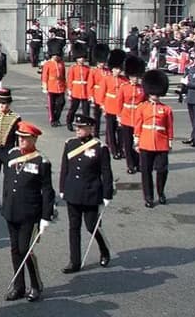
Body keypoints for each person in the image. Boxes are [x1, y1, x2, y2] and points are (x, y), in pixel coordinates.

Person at [1, 122, 54, 303]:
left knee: (26, 250)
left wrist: (46, 216)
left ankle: (36, 284)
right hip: (12, 210)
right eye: (20, 137)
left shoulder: (41, 161)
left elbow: (47, 191)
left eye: (25, 138)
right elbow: (7, 183)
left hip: (30, 213)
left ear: (34, 139)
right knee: (15, 250)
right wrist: (5, 204)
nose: (21, 140)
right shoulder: (12, 154)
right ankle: (19, 286)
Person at [59, 115, 112, 273]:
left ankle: (104, 249)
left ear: (90, 128)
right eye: (76, 127)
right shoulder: (70, 144)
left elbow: (106, 173)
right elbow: (64, 169)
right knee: (73, 228)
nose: (77, 130)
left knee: (91, 226)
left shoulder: (100, 147)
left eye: (81, 127)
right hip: (73, 191)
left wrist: (107, 195)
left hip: (90, 192)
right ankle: (74, 261)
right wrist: (62, 188)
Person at [137, 70, 173, 208]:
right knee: (146, 171)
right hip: (146, 142)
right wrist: (136, 140)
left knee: (162, 169)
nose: (155, 96)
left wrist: (169, 141)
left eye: (157, 94)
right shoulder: (142, 108)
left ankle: (161, 192)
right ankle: (148, 197)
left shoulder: (166, 109)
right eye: (153, 93)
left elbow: (169, 126)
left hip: (161, 143)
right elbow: (138, 125)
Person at [0, 88, 21, 212]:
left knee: (8, 178)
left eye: (5, 103)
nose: (2, 106)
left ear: (9, 104)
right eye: (0, 103)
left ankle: (6, 202)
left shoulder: (16, 117)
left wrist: (17, 152)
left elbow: (18, 137)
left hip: (8, 151)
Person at [119, 56, 147, 174]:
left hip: (138, 118)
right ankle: (130, 165)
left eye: (137, 76)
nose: (135, 79)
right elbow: (119, 103)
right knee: (128, 142)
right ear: (129, 76)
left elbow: (145, 103)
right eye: (133, 76)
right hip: (126, 117)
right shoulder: (124, 87)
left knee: (137, 142)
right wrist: (119, 116)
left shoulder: (142, 89)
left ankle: (138, 163)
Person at [102, 49, 128, 159]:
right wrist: (103, 106)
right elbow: (102, 93)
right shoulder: (107, 79)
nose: (117, 71)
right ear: (112, 69)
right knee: (111, 130)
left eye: (119, 69)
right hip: (110, 106)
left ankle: (120, 148)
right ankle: (113, 150)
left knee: (121, 131)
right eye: (115, 69)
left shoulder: (124, 80)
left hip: (121, 108)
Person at [65, 44, 91, 130]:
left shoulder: (87, 68)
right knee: (73, 109)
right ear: (76, 58)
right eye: (80, 57)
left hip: (85, 91)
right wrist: (69, 91)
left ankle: (86, 125)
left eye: (83, 57)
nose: (82, 59)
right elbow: (70, 80)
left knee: (86, 110)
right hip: (76, 91)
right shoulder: (73, 68)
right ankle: (69, 122)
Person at [88, 44, 111, 139]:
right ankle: (95, 133)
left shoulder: (108, 71)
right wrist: (91, 96)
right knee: (97, 116)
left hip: (106, 97)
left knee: (107, 117)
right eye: (101, 62)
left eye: (103, 62)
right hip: (97, 96)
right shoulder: (93, 71)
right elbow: (90, 84)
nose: (102, 63)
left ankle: (108, 134)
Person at [41, 44, 66, 127]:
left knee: (61, 103)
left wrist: (65, 86)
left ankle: (57, 117)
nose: (57, 56)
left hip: (60, 86)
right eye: (55, 55)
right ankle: (52, 120)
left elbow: (63, 75)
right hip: (51, 86)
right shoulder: (48, 64)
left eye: (58, 55)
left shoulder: (61, 63)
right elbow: (45, 75)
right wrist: (45, 86)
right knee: (51, 105)